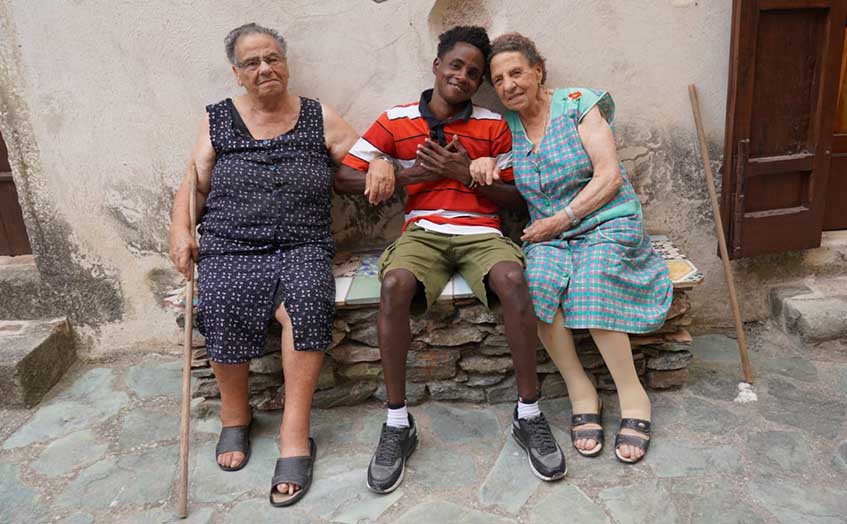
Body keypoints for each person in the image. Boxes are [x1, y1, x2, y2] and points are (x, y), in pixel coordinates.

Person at [168, 23, 392, 507]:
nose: (265, 68)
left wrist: (379, 163)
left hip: (303, 243)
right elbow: (195, 185)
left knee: (308, 304)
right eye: (252, 62)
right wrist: (180, 232)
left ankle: (295, 435)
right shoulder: (218, 120)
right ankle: (235, 418)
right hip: (231, 242)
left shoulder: (317, 116)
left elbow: (363, 155)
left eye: (272, 58)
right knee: (222, 299)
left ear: (286, 64)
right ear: (237, 74)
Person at [335, 25, 566, 493]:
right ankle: (398, 423)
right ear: (437, 65)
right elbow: (342, 177)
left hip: (481, 232)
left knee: (514, 279)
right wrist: (397, 172)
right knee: (395, 284)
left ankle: (529, 413)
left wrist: (470, 175)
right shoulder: (396, 120)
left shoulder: (492, 125)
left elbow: (518, 198)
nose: (463, 76)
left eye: (474, 73)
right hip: (423, 232)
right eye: (456, 65)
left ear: (480, 84)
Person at [472, 32, 673, 463]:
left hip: (605, 221)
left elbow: (609, 176)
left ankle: (633, 396)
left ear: (538, 70)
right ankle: (582, 391)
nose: (508, 84)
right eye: (499, 78)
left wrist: (564, 219)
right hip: (550, 236)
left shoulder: (579, 104)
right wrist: (485, 161)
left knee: (592, 282)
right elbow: (488, 159)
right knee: (536, 287)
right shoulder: (504, 126)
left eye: (516, 73)